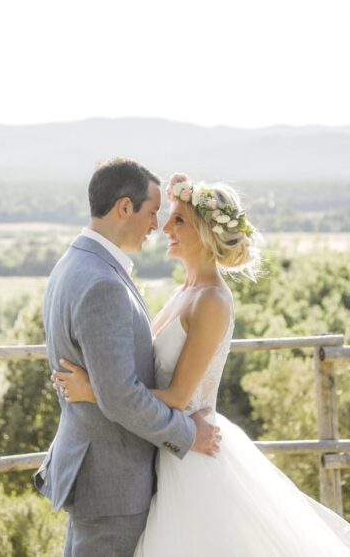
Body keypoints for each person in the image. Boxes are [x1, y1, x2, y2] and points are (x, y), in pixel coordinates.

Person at [53, 172, 350, 556]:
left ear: (207, 234)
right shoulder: (185, 291)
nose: (165, 228)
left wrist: (94, 390)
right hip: (166, 447)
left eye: (179, 220)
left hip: (193, 452)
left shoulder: (211, 301)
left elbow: (178, 396)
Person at [34, 158, 222, 557]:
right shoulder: (103, 282)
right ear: (124, 208)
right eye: (153, 212)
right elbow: (121, 396)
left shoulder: (74, 264)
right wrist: (188, 434)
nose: (158, 225)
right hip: (112, 482)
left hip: (98, 473)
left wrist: (93, 390)